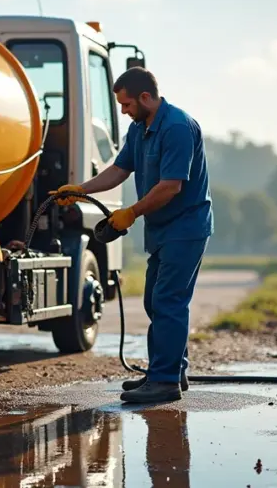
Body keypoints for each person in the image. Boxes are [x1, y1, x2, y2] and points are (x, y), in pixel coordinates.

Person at [51, 67, 213, 404]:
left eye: (126, 104)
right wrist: (80, 190)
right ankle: (173, 370)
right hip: (162, 230)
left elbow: (170, 186)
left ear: (145, 97)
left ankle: (164, 381)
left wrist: (131, 213)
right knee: (156, 300)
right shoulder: (139, 130)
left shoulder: (178, 127)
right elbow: (119, 170)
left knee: (168, 300)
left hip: (186, 228)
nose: (123, 111)